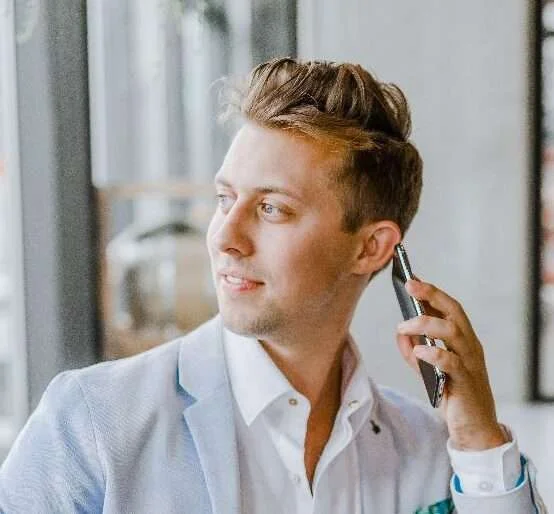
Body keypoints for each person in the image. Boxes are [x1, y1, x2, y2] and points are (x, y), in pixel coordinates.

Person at [0, 58, 545, 513]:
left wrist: (479, 443)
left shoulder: (430, 452)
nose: (224, 237)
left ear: (371, 248)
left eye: (272, 209)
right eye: (225, 199)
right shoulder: (93, 423)